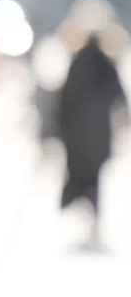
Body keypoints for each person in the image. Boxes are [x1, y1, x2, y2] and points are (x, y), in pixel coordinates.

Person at [57, 33, 127, 250]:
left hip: (78, 139)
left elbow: (63, 101)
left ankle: (87, 229)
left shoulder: (77, 63)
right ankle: (92, 229)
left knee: (81, 181)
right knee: (94, 184)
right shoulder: (106, 64)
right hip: (98, 138)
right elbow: (120, 97)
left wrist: (59, 131)